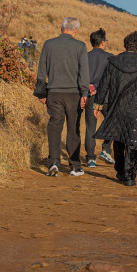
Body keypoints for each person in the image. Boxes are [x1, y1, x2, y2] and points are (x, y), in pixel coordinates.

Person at [94, 31, 137, 187]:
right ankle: (130, 176)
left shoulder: (113, 62)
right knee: (134, 142)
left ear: (126, 45)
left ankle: (120, 172)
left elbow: (104, 85)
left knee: (119, 139)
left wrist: (98, 104)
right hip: (135, 108)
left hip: (116, 107)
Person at [33, 18, 90, 177]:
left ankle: (54, 162)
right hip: (74, 95)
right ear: (76, 30)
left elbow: (41, 70)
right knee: (73, 129)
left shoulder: (49, 44)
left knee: (54, 127)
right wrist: (85, 93)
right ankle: (75, 166)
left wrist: (41, 93)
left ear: (61, 27)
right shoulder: (80, 46)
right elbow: (84, 73)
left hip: (54, 93)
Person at [84, 28, 114, 167]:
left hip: (90, 95)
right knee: (112, 122)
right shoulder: (110, 58)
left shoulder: (84, 56)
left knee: (90, 127)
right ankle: (106, 149)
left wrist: (90, 88)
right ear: (103, 42)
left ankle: (90, 158)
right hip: (106, 97)